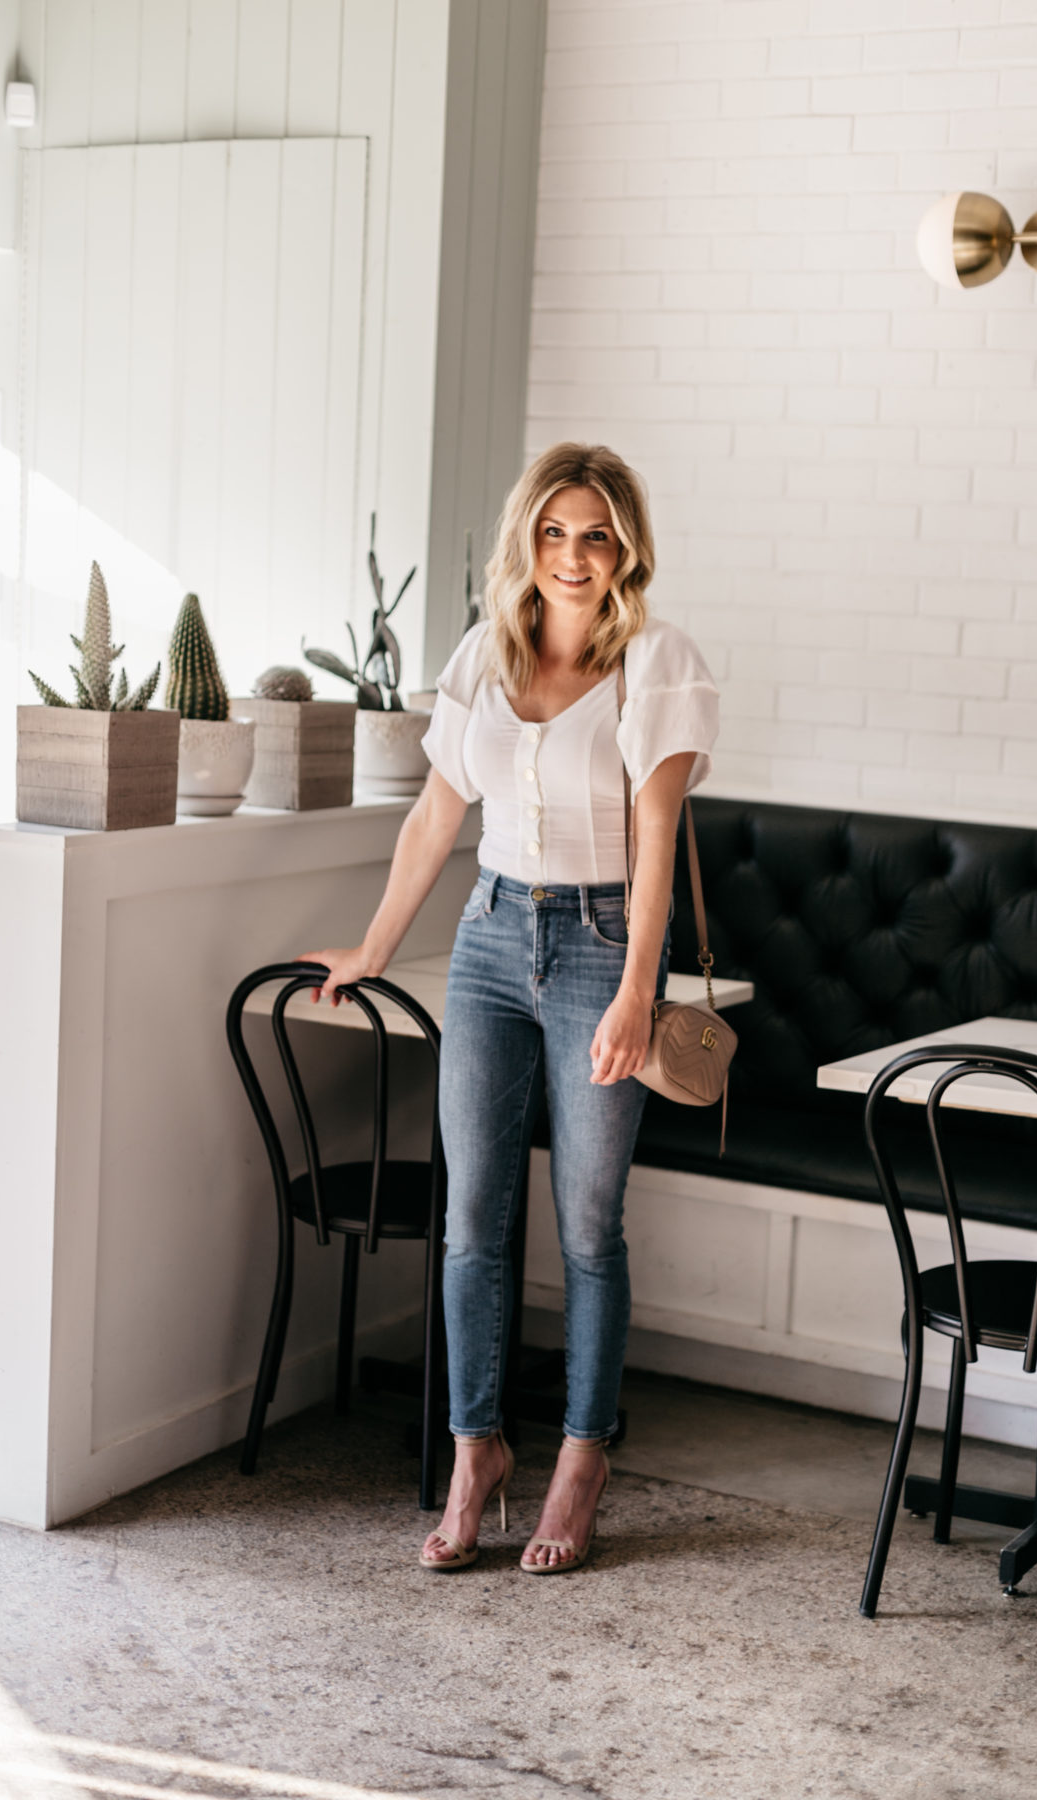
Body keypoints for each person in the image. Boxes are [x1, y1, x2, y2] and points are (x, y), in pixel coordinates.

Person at [301, 442, 719, 1573]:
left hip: (601, 944)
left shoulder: (656, 662)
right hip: (489, 938)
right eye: (553, 532)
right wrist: (374, 949)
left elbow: (655, 845)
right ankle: (475, 1451)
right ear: (525, 540)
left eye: (596, 536)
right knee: (472, 1219)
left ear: (625, 548)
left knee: (587, 1226)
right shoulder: (484, 654)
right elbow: (436, 817)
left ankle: (582, 1459)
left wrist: (635, 992)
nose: (573, 557)